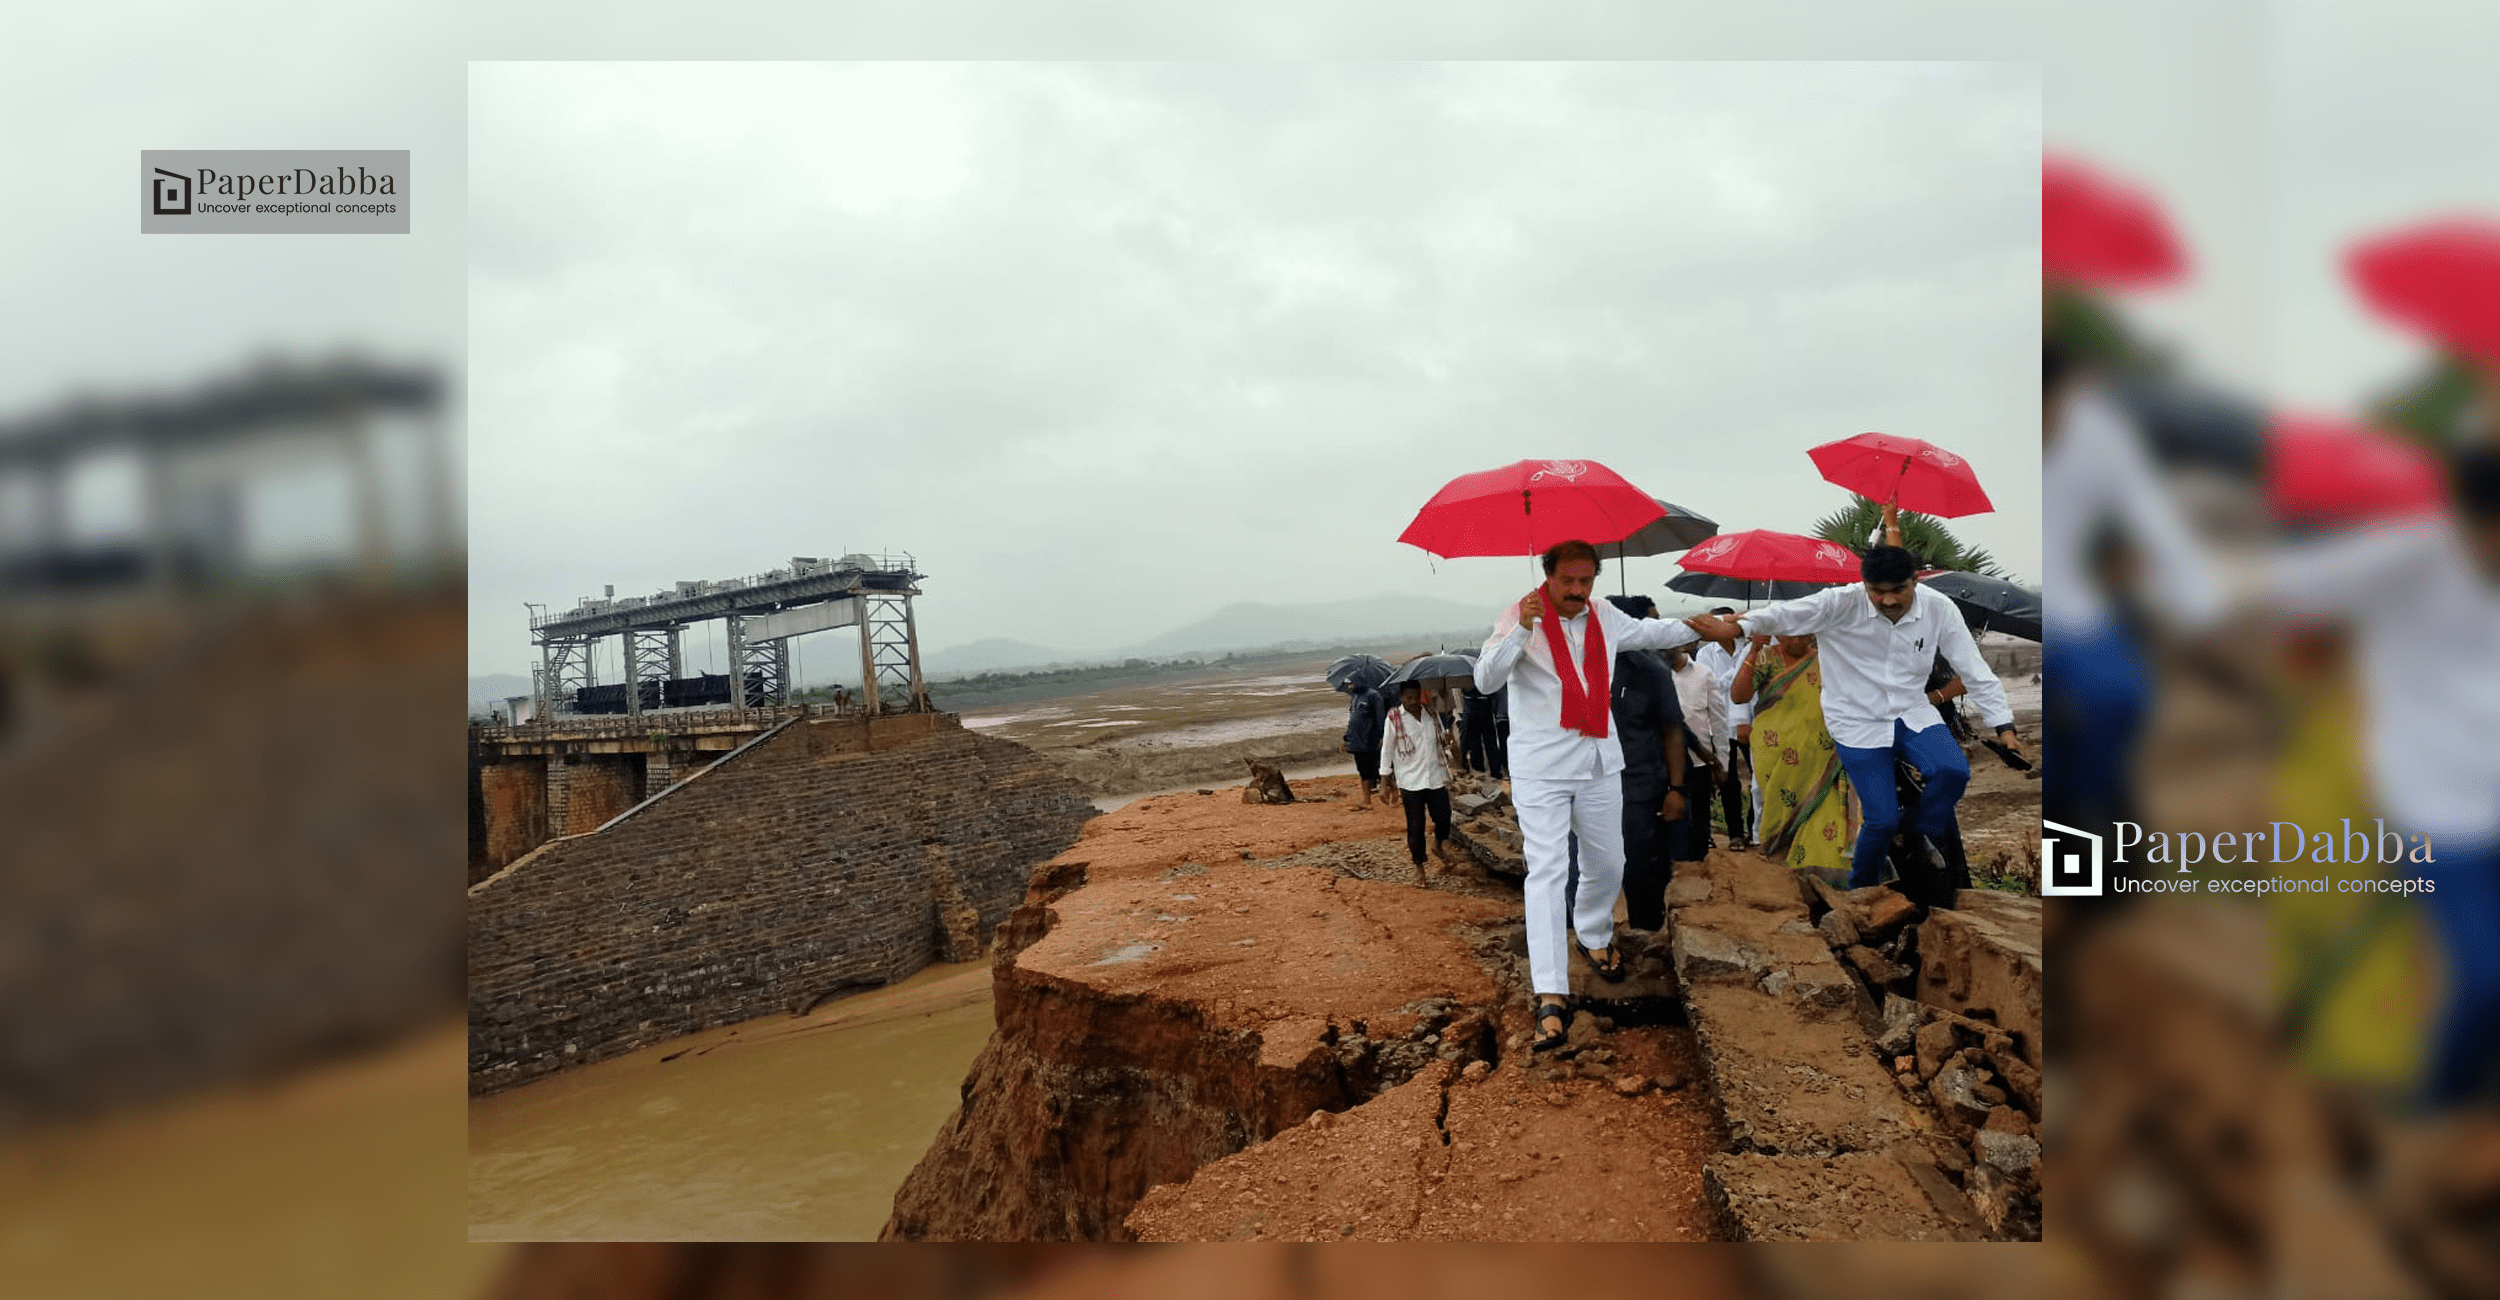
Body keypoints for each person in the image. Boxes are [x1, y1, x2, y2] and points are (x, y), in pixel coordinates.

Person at [1474, 540, 1716, 1051]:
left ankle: (1593, 932)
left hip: (1600, 762)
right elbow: (1486, 676)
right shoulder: (1520, 615)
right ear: (1549, 576)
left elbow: (1655, 631)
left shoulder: (1604, 615)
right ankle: (1551, 993)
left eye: (1586, 582)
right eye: (1569, 582)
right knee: (1547, 871)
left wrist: (1706, 624)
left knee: (1609, 863)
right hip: (1542, 769)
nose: (1578, 592)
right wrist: (1522, 629)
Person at [1691, 544, 2024, 903]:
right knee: (1880, 820)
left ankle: (1915, 829)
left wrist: (2004, 727)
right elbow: (1784, 615)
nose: (1888, 600)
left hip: (1911, 712)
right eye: (1877, 592)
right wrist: (1735, 627)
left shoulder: (1939, 608)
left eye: (1898, 590)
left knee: (1953, 771)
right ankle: (1860, 892)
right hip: (1855, 720)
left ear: (1915, 581)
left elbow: (1974, 668)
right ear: (1864, 585)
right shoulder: (1841, 603)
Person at [1729, 632, 1852, 880]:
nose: (1796, 641)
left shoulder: (1825, 659)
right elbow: (1739, 696)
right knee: (1777, 805)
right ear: (1777, 632)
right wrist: (1753, 650)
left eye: (1803, 634)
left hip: (1819, 752)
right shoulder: (1765, 657)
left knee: (1821, 811)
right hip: (1773, 750)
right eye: (1789, 635)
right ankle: (1779, 868)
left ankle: (1819, 874)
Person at [1601, 595, 1688, 932]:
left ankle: (1647, 937)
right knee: (1587, 868)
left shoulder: (1651, 670)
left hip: (1637, 787)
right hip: (1590, 785)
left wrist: (1676, 789)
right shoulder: (1583, 664)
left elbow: (1672, 730)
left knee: (1641, 869)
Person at [1380, 681, 1456, 883]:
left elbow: (1440, 740)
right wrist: (1384, 779)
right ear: (1401, 697)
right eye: (1408, 697)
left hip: (1434, 776)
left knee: (1444, 817)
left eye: (1416, 696)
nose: (1413, 701)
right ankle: (1419, 866)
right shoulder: (1394, 718)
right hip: (1410, 780)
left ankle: (1438, 844)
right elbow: (1387, 750)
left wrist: (1446, 742)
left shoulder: (1431, 714)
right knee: (1416, 825)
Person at [1693, 607, 1754, 849]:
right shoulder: (1706, 654)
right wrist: (1742, 666)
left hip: (1749, 722)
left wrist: (1748, 656)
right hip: (1720, 724)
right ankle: (1735, 834)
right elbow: (1713, 685)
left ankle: (1754, 830)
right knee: (1728, 782)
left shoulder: (1750, 649)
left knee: (1758, 780)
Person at [1667, 645, 1727, 861]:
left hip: (1700, 762)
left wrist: (1722, 763)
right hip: (1667, 762)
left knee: (1700, 817)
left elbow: (1718, 722)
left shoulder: (1703, 674)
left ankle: (1700, 865)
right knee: (1676, 819)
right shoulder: (1656, 674)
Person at [1343, 680, 1387, 808]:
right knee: (1363, 771)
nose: (1349, 687)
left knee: (1378, 770)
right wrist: (1346, 739)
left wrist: (1382, 736)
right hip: (1357, 743)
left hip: (1370, 741)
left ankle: (1390, 793)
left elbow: (1380, 718)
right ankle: (1366, 799)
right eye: (1348, 684)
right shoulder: (1355, 697)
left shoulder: (1373, 696)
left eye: (1351, 683)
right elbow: (1352, 720)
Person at [1460, 682, 1499, 777]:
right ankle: (1494, 771)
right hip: (1483, 707)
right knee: (1488, 743)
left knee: (1476, 743)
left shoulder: (1465, 673)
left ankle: (1481, 771)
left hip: (1472, 708)